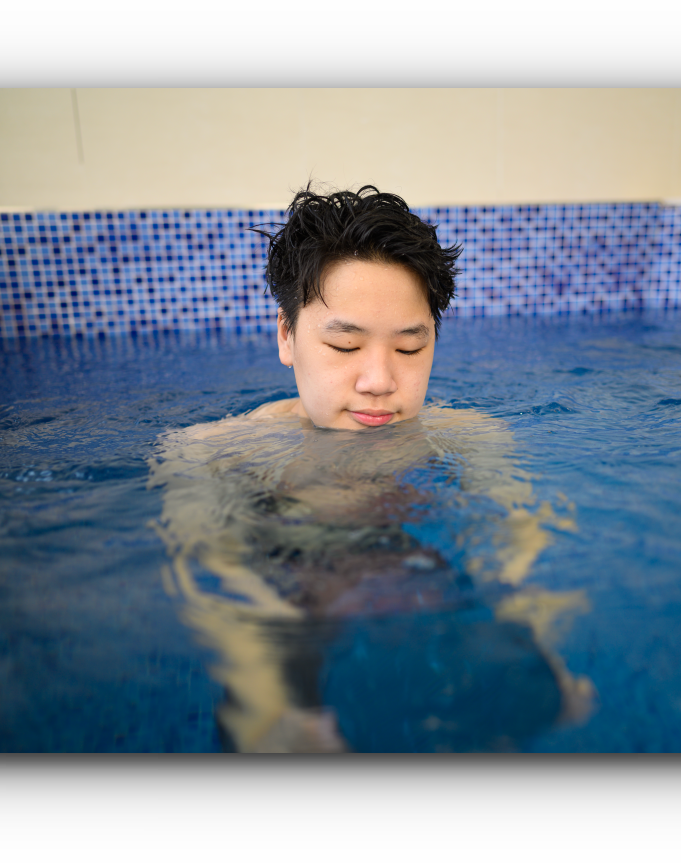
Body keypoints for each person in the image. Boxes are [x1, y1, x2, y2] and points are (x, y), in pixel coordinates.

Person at [149, 186, 593, 751]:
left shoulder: (471, 437)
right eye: (344, 346)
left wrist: (537, 642)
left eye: (409, 349)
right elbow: (214, 583)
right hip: (293, 595)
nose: (379, 381)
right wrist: (268, 699)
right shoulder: (213, 453)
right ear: (286, 335)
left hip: (421, 595)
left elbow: (516, 547)